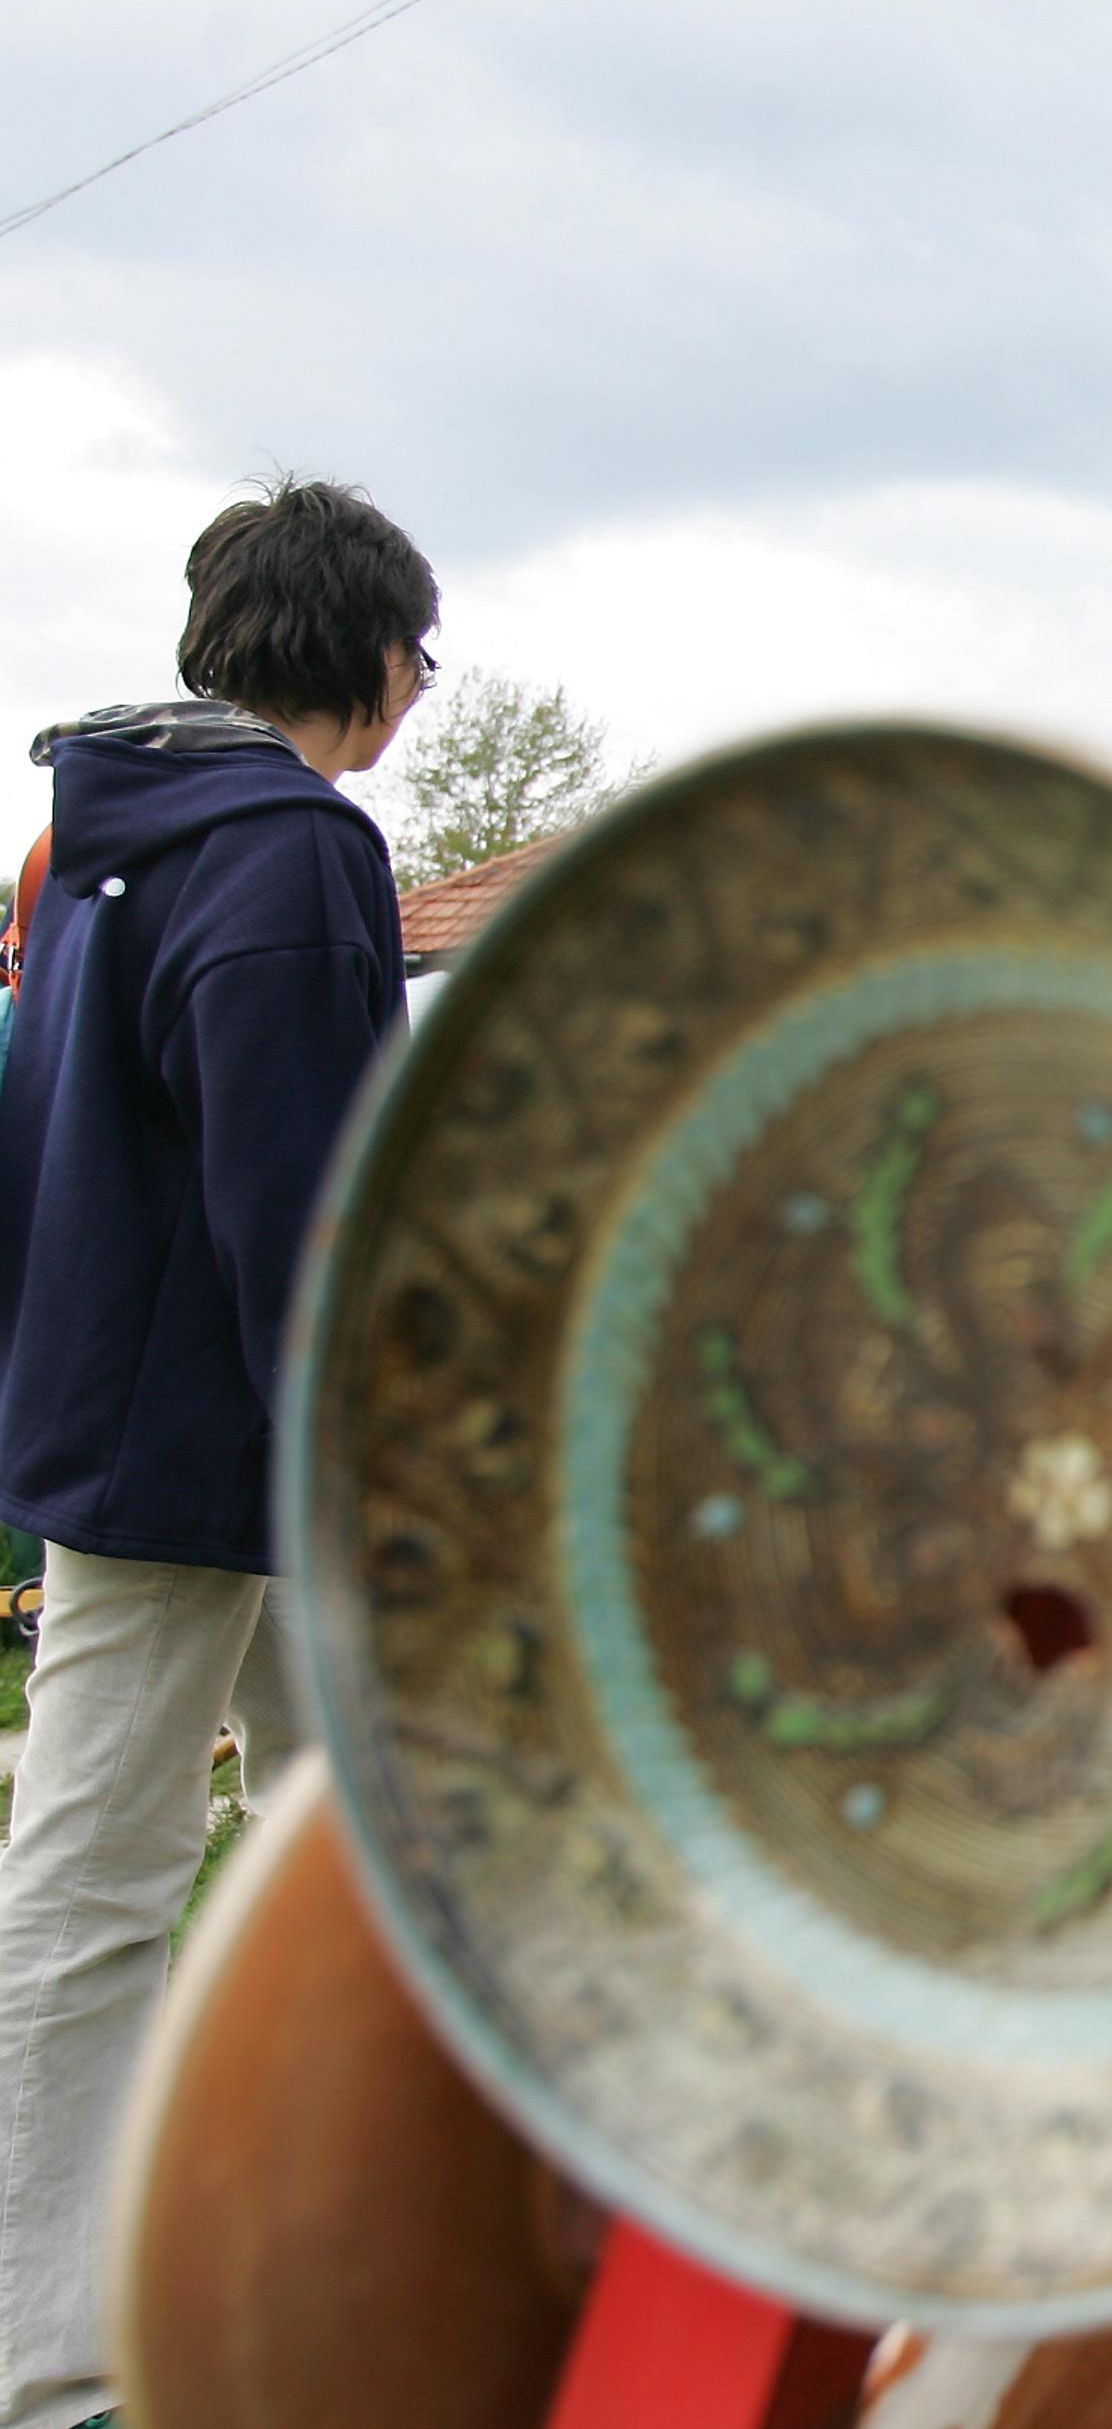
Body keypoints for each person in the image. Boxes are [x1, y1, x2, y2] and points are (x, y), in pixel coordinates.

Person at [0, 478, 431, 2429]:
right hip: (241, 1438)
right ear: (369, 652)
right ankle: (60, 2345)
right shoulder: (292, 846)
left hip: (111, 1414)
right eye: (421, 651)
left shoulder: (89, 836)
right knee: (122, 1874)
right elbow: (298, 1182)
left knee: (331, 1849)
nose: (421, 689)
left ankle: (327, 2258)